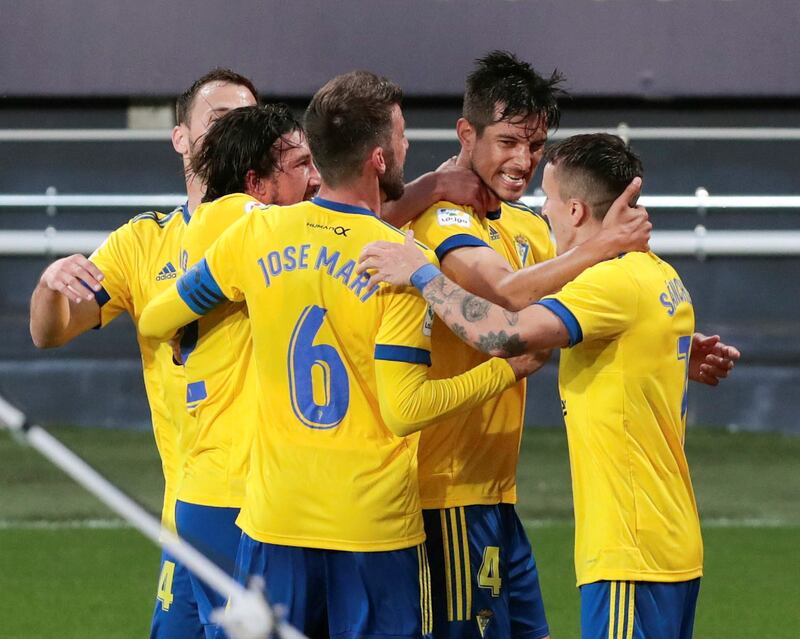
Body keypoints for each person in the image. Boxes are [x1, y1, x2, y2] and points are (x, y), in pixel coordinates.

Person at [138, 70, 545, 639]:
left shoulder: (259, 237)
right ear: (379, 158)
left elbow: (158, 316)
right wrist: (503, 371)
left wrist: (197, 343)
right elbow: (405, 408)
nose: (407, 147)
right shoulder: (398, 261)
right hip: (370, 529)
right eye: (400, 137)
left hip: (274, 524)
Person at [358, 133, 741, 639]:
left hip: (631, 550)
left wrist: (422, 273)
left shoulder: (609, 285)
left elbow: (500, 333)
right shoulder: (659, 275)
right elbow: (629, 332)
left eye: (550, 201)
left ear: (578, 211)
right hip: (669, 543)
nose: (544, 212)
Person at [395, 51, 651, 639]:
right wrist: (602, 242)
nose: (523, 161)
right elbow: (507, 296)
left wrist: (676, 348)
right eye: (508, 141)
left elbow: (582, 310)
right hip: (446, 492)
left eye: (534, 146)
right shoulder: (439, 216)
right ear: (467, 132)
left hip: (494, 493)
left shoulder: (525, 224)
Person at [28, 68, 259, 639]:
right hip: (187, 512)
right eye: (221, 121)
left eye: (246, 122)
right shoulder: (144, 242)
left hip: (270, 512)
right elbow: (51, 333)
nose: (235, 134)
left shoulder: (278, 230)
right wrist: (49, 284)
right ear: (180, 137)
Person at [167, 102, 320, 637]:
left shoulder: (212, 221)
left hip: (215, 486)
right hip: (237, 493)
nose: (315, 178)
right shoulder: (247, 221)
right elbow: (334, 225)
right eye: (300, 165)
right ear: (255, 183)